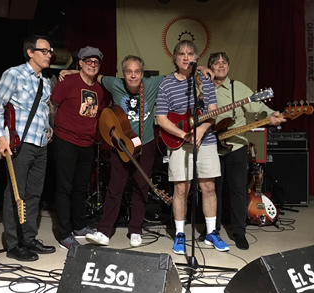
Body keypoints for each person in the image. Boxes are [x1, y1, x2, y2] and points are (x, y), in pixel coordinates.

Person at [60, 55, 213, 248]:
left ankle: (135, 230)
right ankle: (104, 231)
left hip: (146, 143)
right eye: (129, 72)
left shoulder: (153, 83)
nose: (133, 76)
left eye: (137, 72)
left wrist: (198, 66)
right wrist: (74, 71)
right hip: (122, 145)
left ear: (142, 73)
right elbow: (95, 76)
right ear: (123, 74)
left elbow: (177, 74)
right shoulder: (114, 83)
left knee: (141, 187)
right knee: (115, 187)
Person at [156, 40, 229, 255]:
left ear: (196, 58)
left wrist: (200, 130)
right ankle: (180, 234)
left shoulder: (204, 81)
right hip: (179, 143)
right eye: (181, 54)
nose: (186, 57)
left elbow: (213, 112)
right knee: (181, 189)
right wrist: (184, 135)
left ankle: (211, 232)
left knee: (208, 187)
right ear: (175, 58)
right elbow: (161, 118)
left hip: (205, 141)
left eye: (190, 54)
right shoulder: (166, 84)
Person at [207, 52, 286, 250]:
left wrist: (271, 115)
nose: (221, 65)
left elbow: (258, 106)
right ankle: (212, 231)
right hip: (210, 146)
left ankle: (239, 232)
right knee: (211, 191)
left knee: (238, 191)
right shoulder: (203, 88)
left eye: (225, 62)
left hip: (237, 145)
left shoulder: (238, 88)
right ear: (210, 67)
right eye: (216, 63)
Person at [0, 35, 55, 261]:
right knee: (16, 194)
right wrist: (0, 137)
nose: (49, 55)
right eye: (45, 51)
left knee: (35, 194)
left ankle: (29, 238)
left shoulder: (45, 82)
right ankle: (14, 244)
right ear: (30, 52)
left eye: (50, 51)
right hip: (20, 143)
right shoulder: (13, 74)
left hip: (41, 144)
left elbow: (43, 111)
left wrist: (48, 130)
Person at [50, 46, 106, 249]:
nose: (92, 65)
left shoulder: (99, 89)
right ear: (80, 63)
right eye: (88, 61)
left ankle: (79, 226)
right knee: (64, 188)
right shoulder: (69, 82)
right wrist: (51, 128)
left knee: (81, 188)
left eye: (96, 62)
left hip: (87, 143)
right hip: (65, 140)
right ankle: (65, 234)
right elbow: (52, 104)